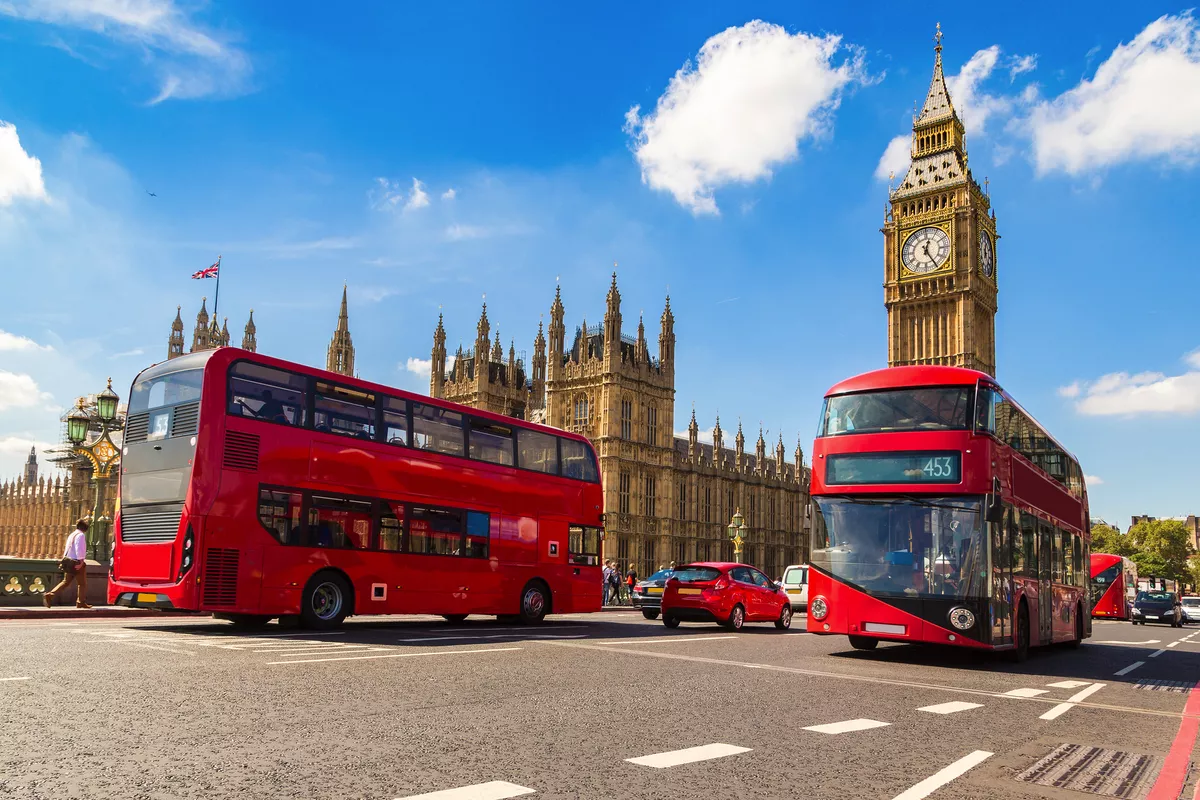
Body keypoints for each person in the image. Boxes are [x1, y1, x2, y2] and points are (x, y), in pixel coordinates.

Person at [45, 519, 91, 609]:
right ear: (85, 529)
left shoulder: (72, 534)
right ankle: (80, 602)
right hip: (76, 562)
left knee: (65, 582)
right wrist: (81, 562)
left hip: (69, 561)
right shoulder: (81, 535)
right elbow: (79, 549)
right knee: (82, 584)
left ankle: (50, 595)